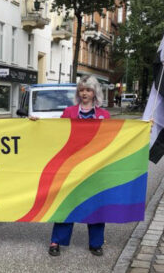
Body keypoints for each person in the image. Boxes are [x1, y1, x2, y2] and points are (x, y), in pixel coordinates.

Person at [30, 75, 110, 257]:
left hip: (94, 168)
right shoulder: (69, 112)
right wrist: (37, 124)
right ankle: (56, 241)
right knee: (66, 204)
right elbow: (57, 134)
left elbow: (112, 139)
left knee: (95, 205)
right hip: (71, 167)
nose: (84, 93)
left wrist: (144, 128)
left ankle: (96, 243)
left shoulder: (104, 115)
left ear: (95, 92)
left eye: (88, 90)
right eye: (81, 90)